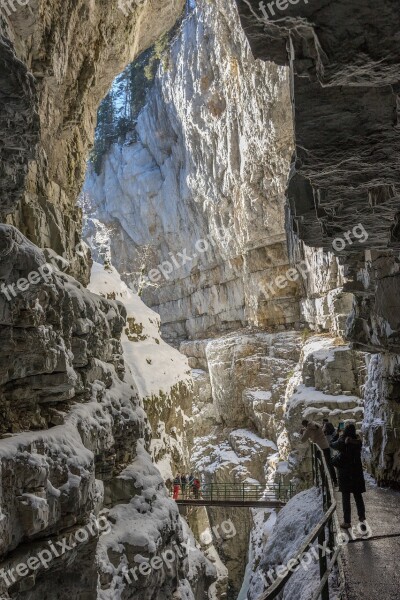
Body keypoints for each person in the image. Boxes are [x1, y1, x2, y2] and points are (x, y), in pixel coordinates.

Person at [331, 424, 367, 530]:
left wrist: (337, 434)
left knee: (346, 498)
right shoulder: (357, 442)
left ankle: (347, 522)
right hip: (356, 473)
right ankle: (362, 517)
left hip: (345, 474)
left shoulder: (342, 441)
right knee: (358, 497)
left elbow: (332, 444)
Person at [301, 419, 338, 486]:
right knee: (329, 464)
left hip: (319, 449)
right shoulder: (316, 424)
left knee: (321, 465)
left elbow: (303, 440)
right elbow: (320, 428)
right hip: (326, 446)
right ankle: (335, 481)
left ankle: (325, 483)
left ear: (304, 425)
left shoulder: (308, 430)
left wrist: (303, 432)